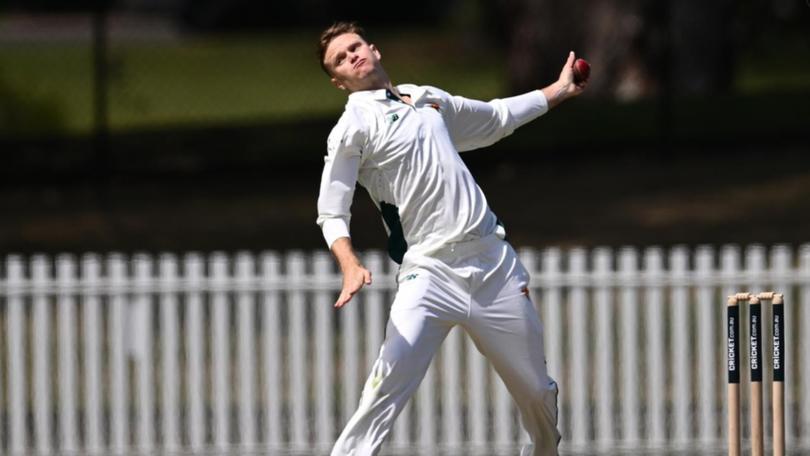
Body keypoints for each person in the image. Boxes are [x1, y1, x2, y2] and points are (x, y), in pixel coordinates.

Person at [316, 21, 586, 456]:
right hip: (428, 273)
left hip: (492, 265)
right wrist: (349, 263)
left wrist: (558, 89)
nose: (352, 57)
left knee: (536, 391)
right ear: (337, 80)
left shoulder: (427, 98)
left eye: (355, 47)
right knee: (384, 389)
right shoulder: (354, 126)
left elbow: (497, 118)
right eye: (340, 60)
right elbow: (331, 210)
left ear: (374, 49)